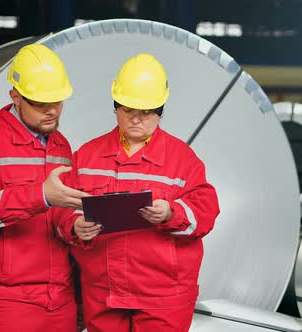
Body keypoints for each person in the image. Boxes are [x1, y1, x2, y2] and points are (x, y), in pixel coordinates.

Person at [55, 53, 220, 332]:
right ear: (115, 106)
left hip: (163, 297)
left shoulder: (183, 160)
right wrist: (74, 225)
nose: (136, 119)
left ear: (160, 110)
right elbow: (61, 207)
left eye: (146, 112)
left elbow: (205, 213)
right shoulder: (87, 156)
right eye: (128, 110)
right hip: (103, 292)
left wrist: (171, 213)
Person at [0, 43, 87, 332]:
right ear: (15, 97)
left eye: (59, 101)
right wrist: (39, 195)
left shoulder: (60, 145)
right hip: (4, 300)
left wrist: (76, 226)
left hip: (58, 297)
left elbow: (58, 213)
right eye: (41, 104)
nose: (53, 111)